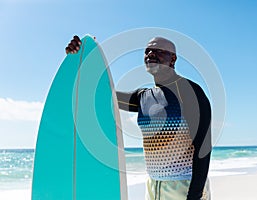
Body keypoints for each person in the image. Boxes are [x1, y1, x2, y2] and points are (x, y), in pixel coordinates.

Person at [66, 35, 212, 200]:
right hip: (152, 186)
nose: (150, 54)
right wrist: (81, 57)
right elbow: (103, 95)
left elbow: (203, 148)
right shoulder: (143, 97)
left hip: (184, 186)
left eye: (158, 50)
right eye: (147, 51)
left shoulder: (190, 92)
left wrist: (194, 195)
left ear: (173, 58)